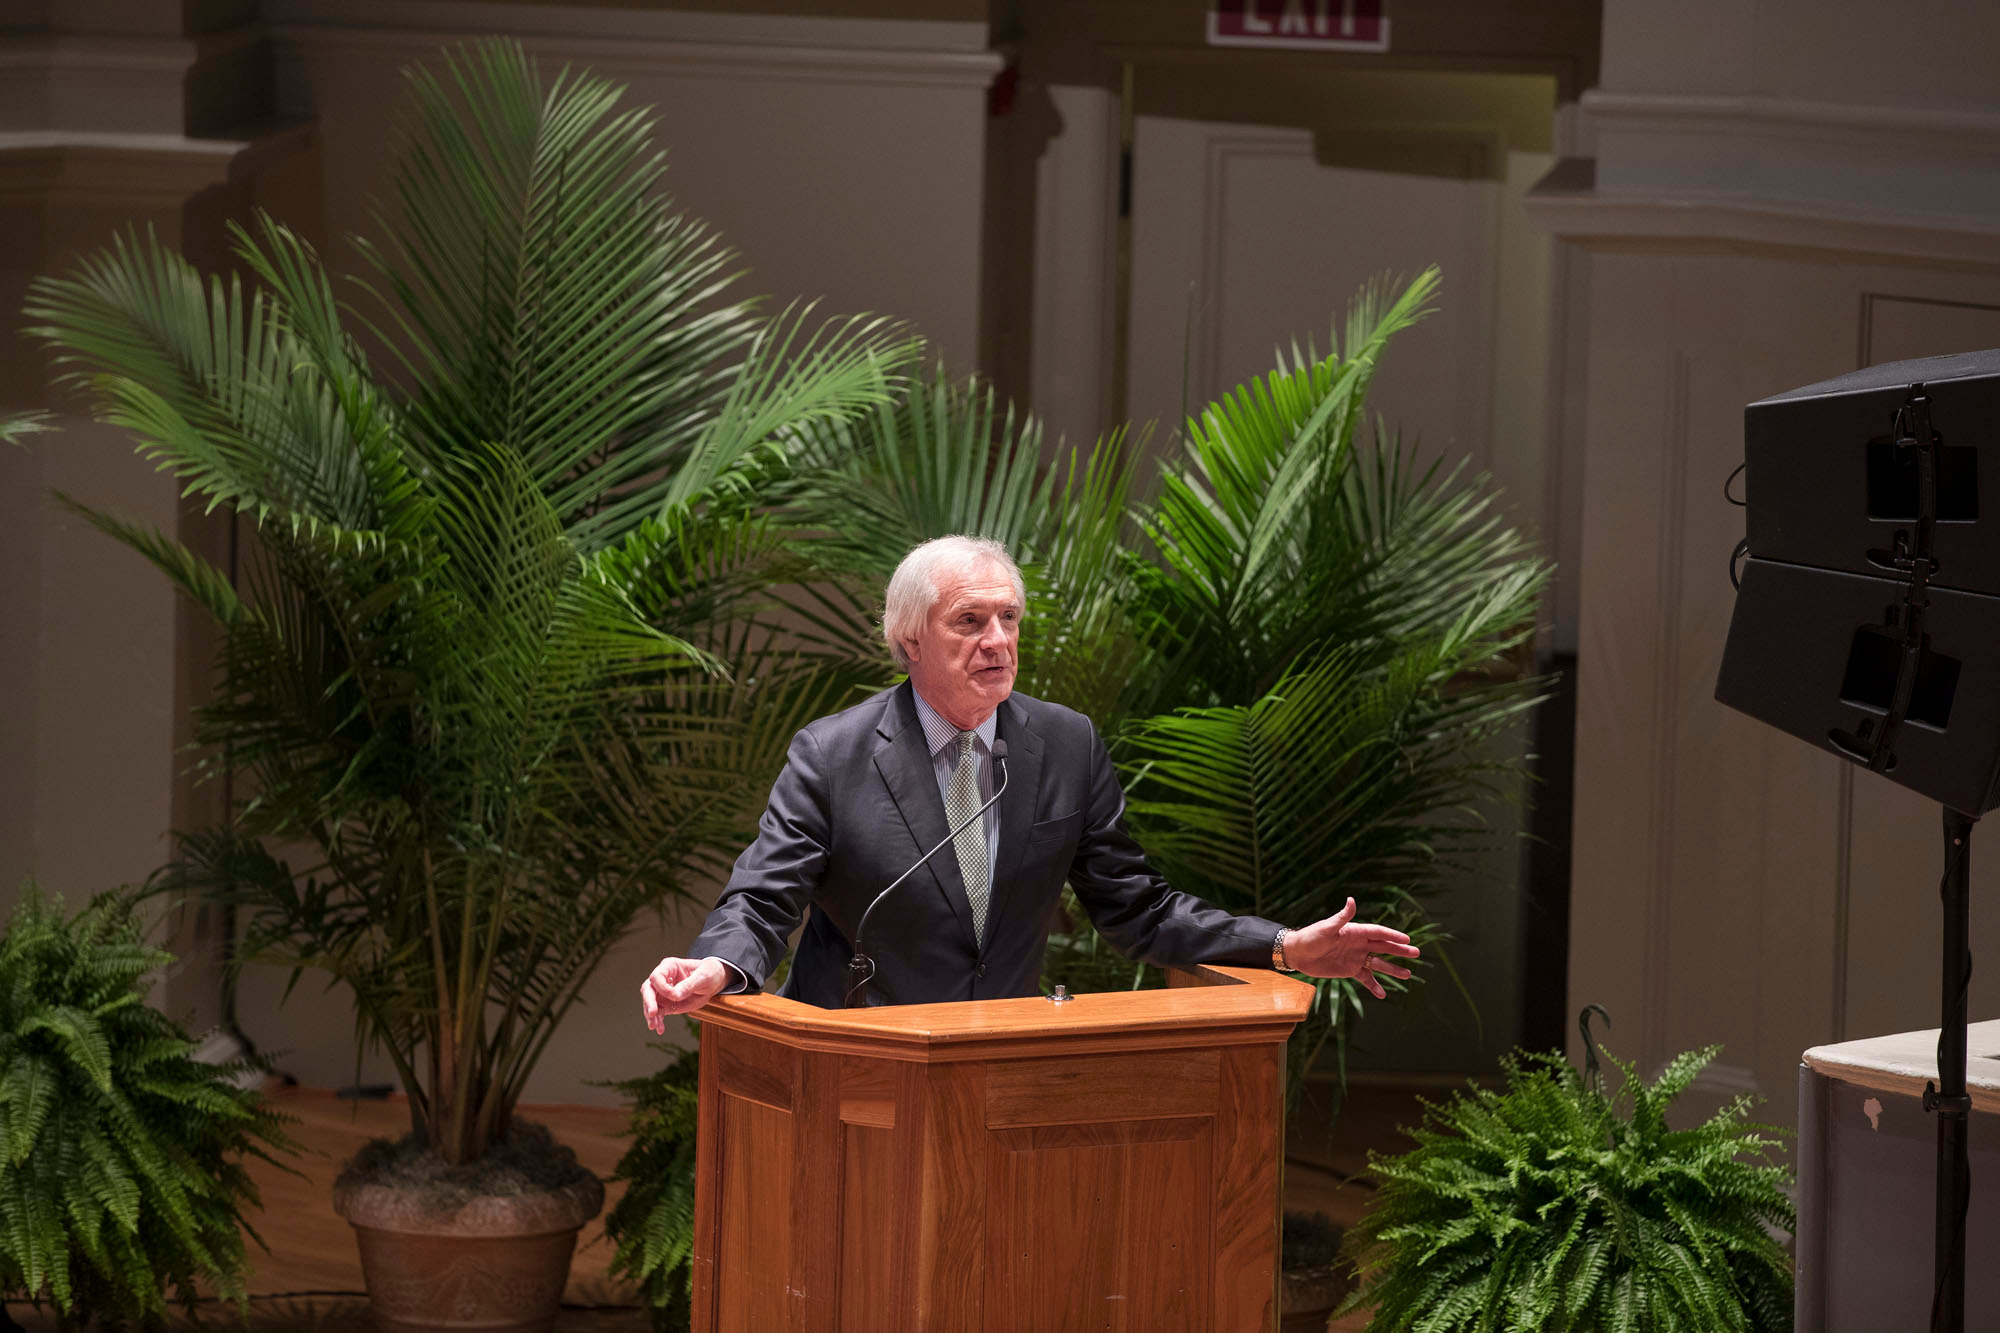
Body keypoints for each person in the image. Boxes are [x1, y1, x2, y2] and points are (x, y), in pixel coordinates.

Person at [640, 535, 1418, 1027]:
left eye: (1009, 619)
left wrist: (1282, 944)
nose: (997, 641)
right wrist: (718, 964)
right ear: (910, 638)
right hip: (864, 1056)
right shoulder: (833, 753)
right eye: (970, 622)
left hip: (1003, 1055)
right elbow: (763, 897)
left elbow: (1137, 908)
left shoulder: (1064, 743)